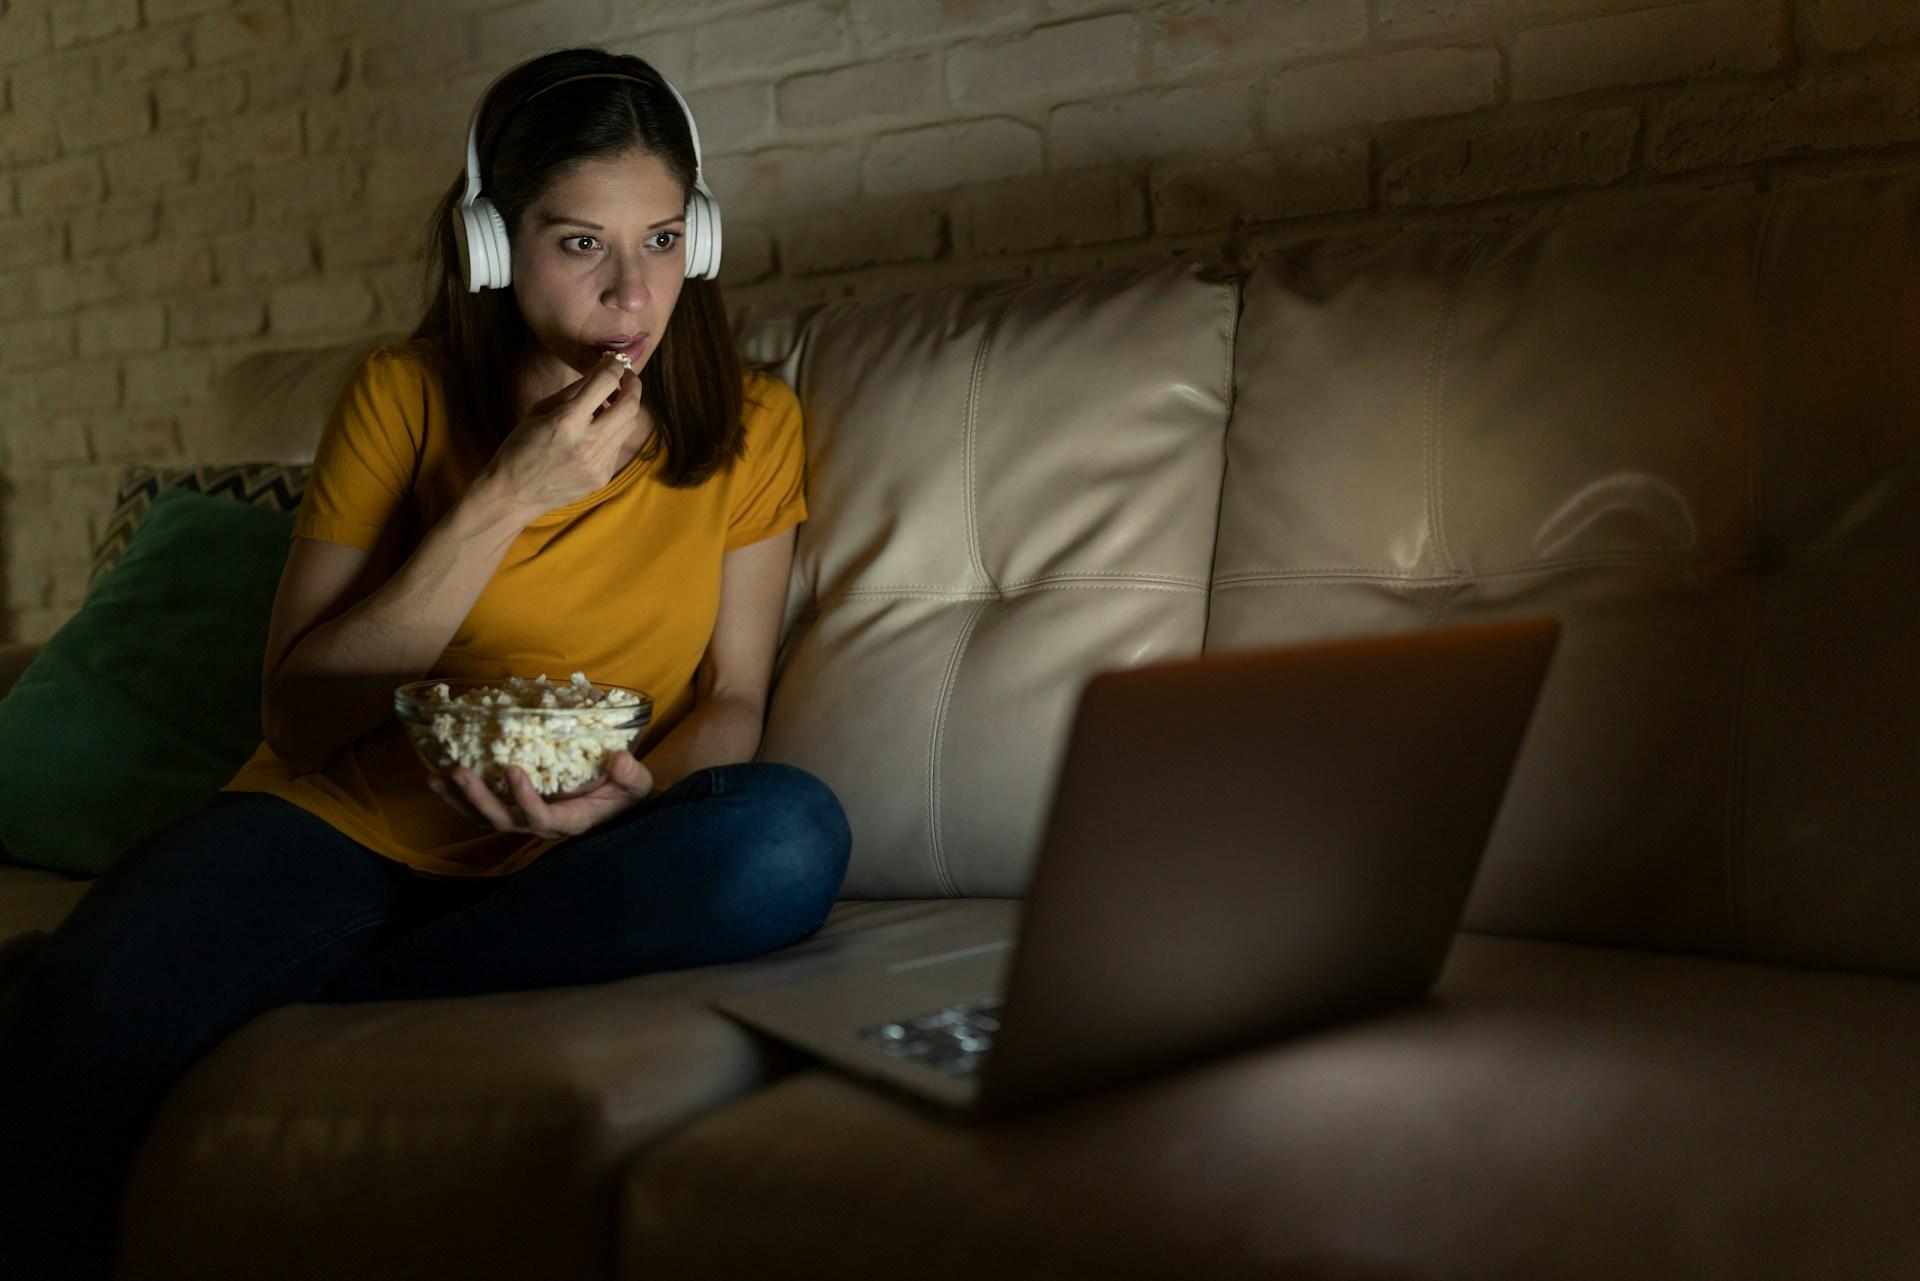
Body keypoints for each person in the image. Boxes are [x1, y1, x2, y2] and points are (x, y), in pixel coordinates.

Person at [0, 46, 851, 1280]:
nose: (632, 298)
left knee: (787, 836)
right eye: (580, 245)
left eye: (664, 241)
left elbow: (732, 698)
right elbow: (300, 713)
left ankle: (282, 992)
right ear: (492, 249)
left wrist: (635, 801)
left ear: (702, 241)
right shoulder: (399, 398)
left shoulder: (753, 427)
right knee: (77, 1023)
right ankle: (237, 981)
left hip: (584, 860)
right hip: (341, 825)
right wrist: (502, 498)